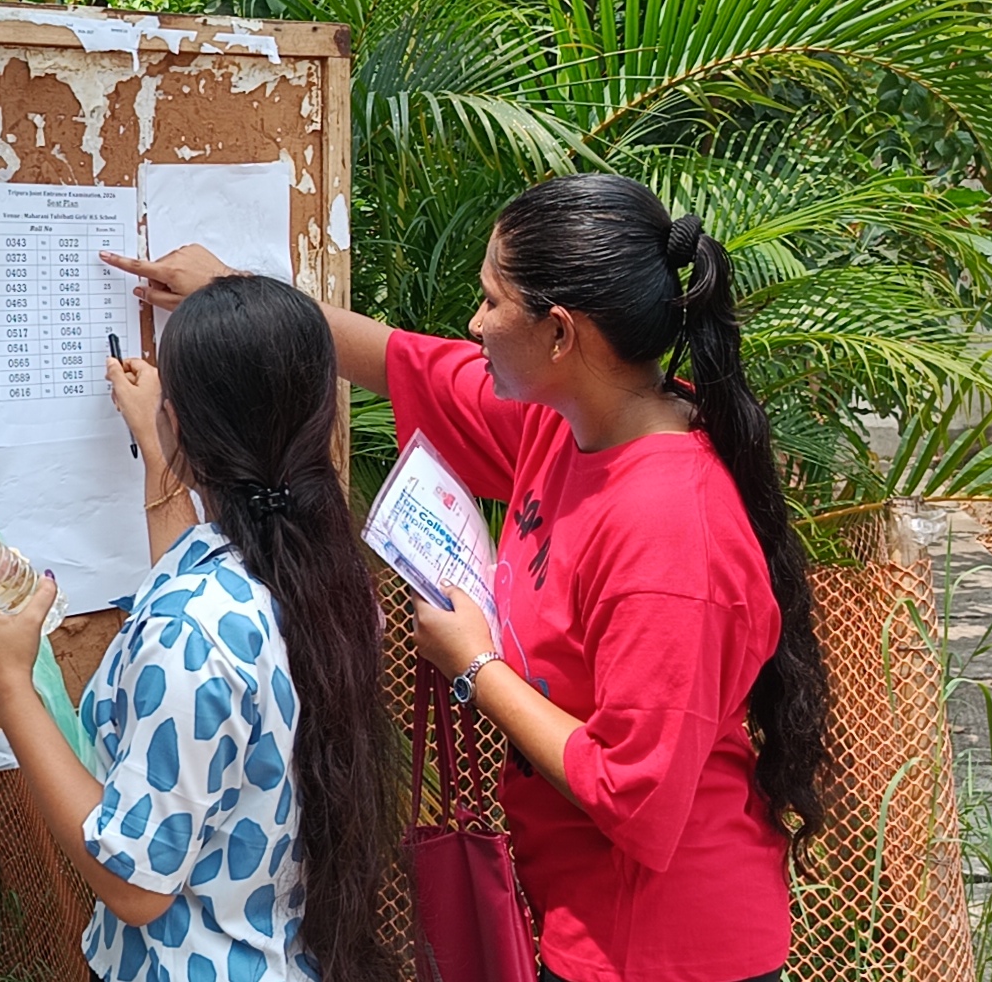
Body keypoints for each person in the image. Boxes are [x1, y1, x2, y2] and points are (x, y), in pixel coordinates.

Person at [103, 173, 829, 982]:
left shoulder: (669, 532)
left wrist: (476, 668)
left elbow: (639, 799)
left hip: (661, 947)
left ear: (560, 335)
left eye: (491, 301)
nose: (473, 323)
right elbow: (405, 361)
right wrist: (235, 295)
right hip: (584, 911)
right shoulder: (568, 424)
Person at [0, 276, 399, 982]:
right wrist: (161, 456)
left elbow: (135, 886)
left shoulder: (190, 632)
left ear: (181, 420)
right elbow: (200, 603)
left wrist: (10, 685)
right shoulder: (332, 582)